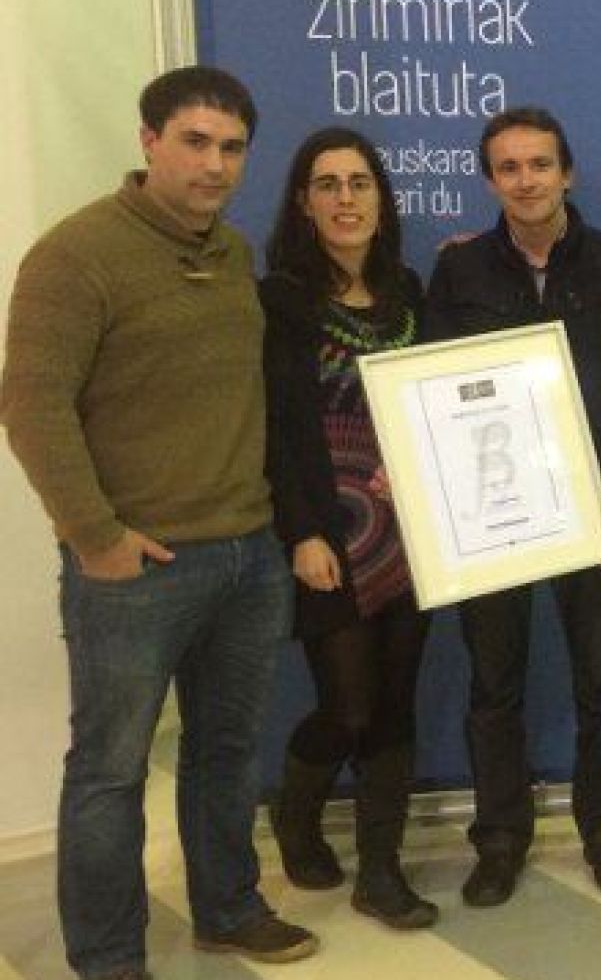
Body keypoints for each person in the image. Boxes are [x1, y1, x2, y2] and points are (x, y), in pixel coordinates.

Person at [1, 66, 318, 977]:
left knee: (227, 752)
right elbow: (31, 406)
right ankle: (107, 957)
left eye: (232, 148)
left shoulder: (234, 255)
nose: (214, 165)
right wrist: (96, 537)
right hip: (135, 568)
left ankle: (228, 908)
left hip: (247, 556)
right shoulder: (75, 255)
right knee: (110, 770)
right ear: (148, 142)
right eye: (195, 142)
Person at [424, 106, 601, 906]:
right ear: (490, 180)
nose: (526, 181)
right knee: (493, 685)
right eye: (508, 168)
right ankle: (499, 841)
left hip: (590, 507)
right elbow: (432, 389)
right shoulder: (458, 272)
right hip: (491, 515)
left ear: (568, 173)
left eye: (539, 164)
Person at [259, 127, 436, 930]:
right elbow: (274, 428)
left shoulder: (410, 292)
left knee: (395, 706)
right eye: (327, 184)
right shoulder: (280, 301)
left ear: (380, 199)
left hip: (411, 532)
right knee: (350, 708)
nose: (345, 198)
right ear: (304, 202)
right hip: (330, 537)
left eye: (359, 182)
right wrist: (300, 532)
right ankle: (295, 816)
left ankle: (382, 872)